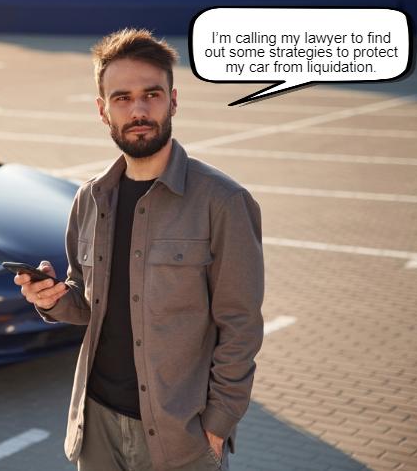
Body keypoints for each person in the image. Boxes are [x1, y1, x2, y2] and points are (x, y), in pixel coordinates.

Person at [14, 28, 264, 471]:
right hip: (96, 427)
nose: (139, 109)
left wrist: (219, 422)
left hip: (180, 436)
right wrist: (52, 300)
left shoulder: (222, 202)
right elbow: (89, 303)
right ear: (102, 110)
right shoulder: (90, 199)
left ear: (173, 100)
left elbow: (240, 324)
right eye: (122, 98)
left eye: (151, 94)